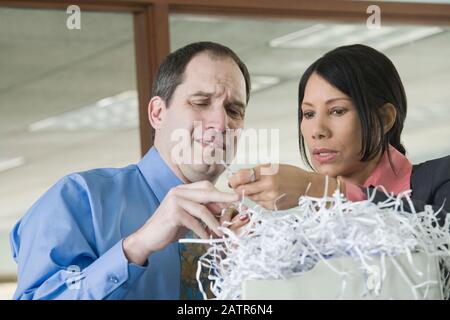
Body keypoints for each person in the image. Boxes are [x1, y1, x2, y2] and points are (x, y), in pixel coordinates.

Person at [10, 41, 251, 300]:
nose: (221, 122)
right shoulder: (79, 198)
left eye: (233, 110)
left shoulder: (242, 225)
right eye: (201, 102)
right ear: (158, 113)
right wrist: (136, 247)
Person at [228, 44, 449, 225]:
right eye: (309, 113)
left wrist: (323, 190)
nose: (317, 131)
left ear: (384, 119)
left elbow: (438, 230)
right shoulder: (306, 226)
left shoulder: (441, 178)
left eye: (337, 111)